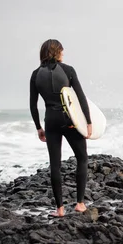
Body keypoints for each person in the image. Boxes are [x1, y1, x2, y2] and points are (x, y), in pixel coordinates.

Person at [29, 39, 92, 217]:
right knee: (82, 158)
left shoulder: (35, 74)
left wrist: (38, 127)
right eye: (62, 51)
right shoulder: (68, 70)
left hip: (51, 121)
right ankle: (80, 203)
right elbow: (80, 97)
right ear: (57, 52)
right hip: (69, 119)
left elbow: (33, 105)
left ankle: (60, 209)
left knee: (55, 165)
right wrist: (87, 122)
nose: (63, 54)